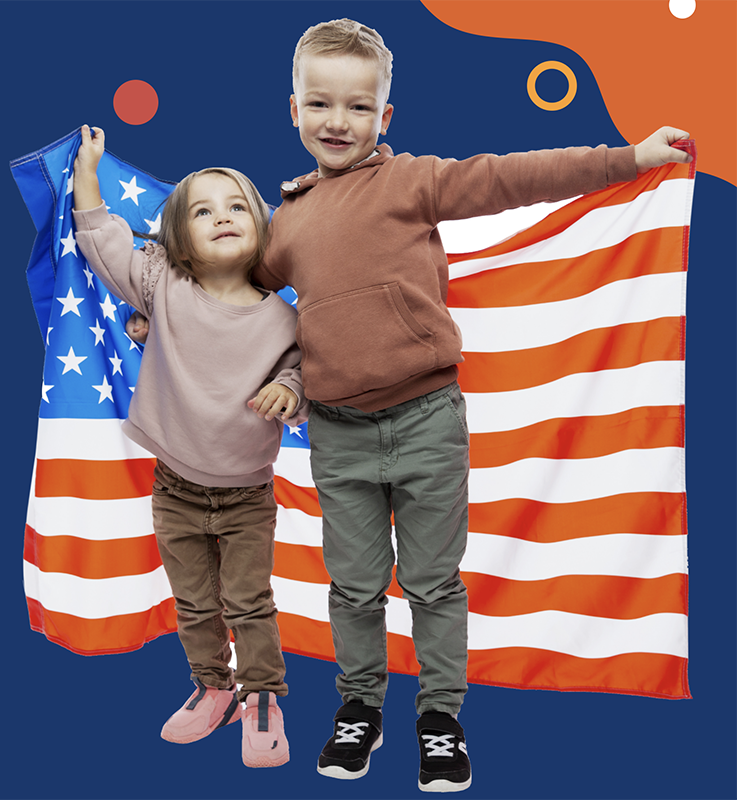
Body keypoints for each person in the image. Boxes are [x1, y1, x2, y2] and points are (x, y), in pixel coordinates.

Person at [124, 19, 691, 791]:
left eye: (358, 108)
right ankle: (359, 708)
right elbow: (221, 289)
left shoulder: (413, 181)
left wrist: (626, 159)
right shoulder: (282, 226)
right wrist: (152, 312)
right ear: (292, 110)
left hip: (426, 418)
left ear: (384, 119)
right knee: (354, 586)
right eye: (320, 103)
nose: (337, 121)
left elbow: (511, 176)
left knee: (433, 582)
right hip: (339, 432)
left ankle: (441, 717)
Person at [72, 124, 308, 769]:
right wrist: (87, 171)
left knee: (248, 600)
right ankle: (213, 686)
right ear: (178, 240)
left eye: (237, 207)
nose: (222, 218)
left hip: (246, 493)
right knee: (195, 601)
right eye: (202, 211)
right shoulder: (161, 286)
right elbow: (104, 241)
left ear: (264, 230)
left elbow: (305, 369)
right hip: (174, 485)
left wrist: (290, 389)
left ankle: (263, 696)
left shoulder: (283, 319)